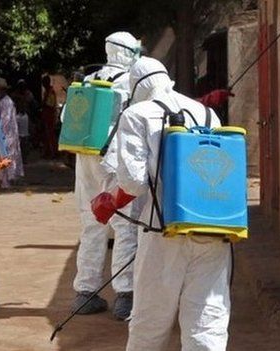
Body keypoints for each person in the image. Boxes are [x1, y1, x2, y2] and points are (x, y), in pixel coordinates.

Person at [91, 57, 230, 350]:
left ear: (136, 86)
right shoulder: (208, 114)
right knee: (207, 319)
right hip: (212, 226)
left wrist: (109, 202)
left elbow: (133, 182)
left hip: (162, 231)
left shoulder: (136, 114)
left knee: (150, 320)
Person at [69, 32, 141, 321]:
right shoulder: (132, 82)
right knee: (124, 223)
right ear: (128, 52)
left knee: (91, 222)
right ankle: (125, 295)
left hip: (85, 158)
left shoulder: (88, 80)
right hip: (115, 158)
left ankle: (85, 292)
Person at [0, 77, 24, 188]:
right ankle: (4, 180)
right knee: (4, 156)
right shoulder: (2, 102)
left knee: (5, 157)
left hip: (7, 135)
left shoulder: (6, 102)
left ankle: (6, 181)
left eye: (0, 90)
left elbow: (4, 120)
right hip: (6, 134)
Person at [11, 79, 37, 162]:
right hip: (17, 116)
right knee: (18, 137)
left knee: (26, 137)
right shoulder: (14, 95)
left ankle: (24, 157)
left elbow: (33, 105)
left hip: (26, 116)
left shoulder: (28, 94)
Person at [40, 75, 58, 159]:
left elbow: (50, 104)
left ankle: (53, 152)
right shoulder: (47, 91)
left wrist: (43, 104)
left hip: (50, 115)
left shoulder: (50, 92)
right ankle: (47, 152)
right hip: (46, 115)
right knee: (46, 135)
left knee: (50, 134)